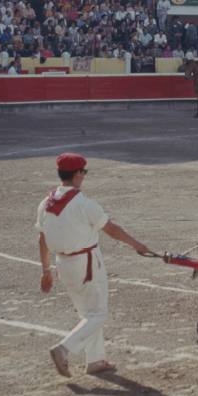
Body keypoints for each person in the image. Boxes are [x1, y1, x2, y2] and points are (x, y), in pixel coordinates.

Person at [37, 153, 150, 377]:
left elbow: (42, 239)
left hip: (63, 264)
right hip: (86, 263)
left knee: (87, 313)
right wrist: (136, 245)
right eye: (84, 172)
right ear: (77, 174)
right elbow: (111, 230)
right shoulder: (83, 204)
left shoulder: (45, 203)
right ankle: (64, 348)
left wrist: (45, 270)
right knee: (97, 314)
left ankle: (95, 360)